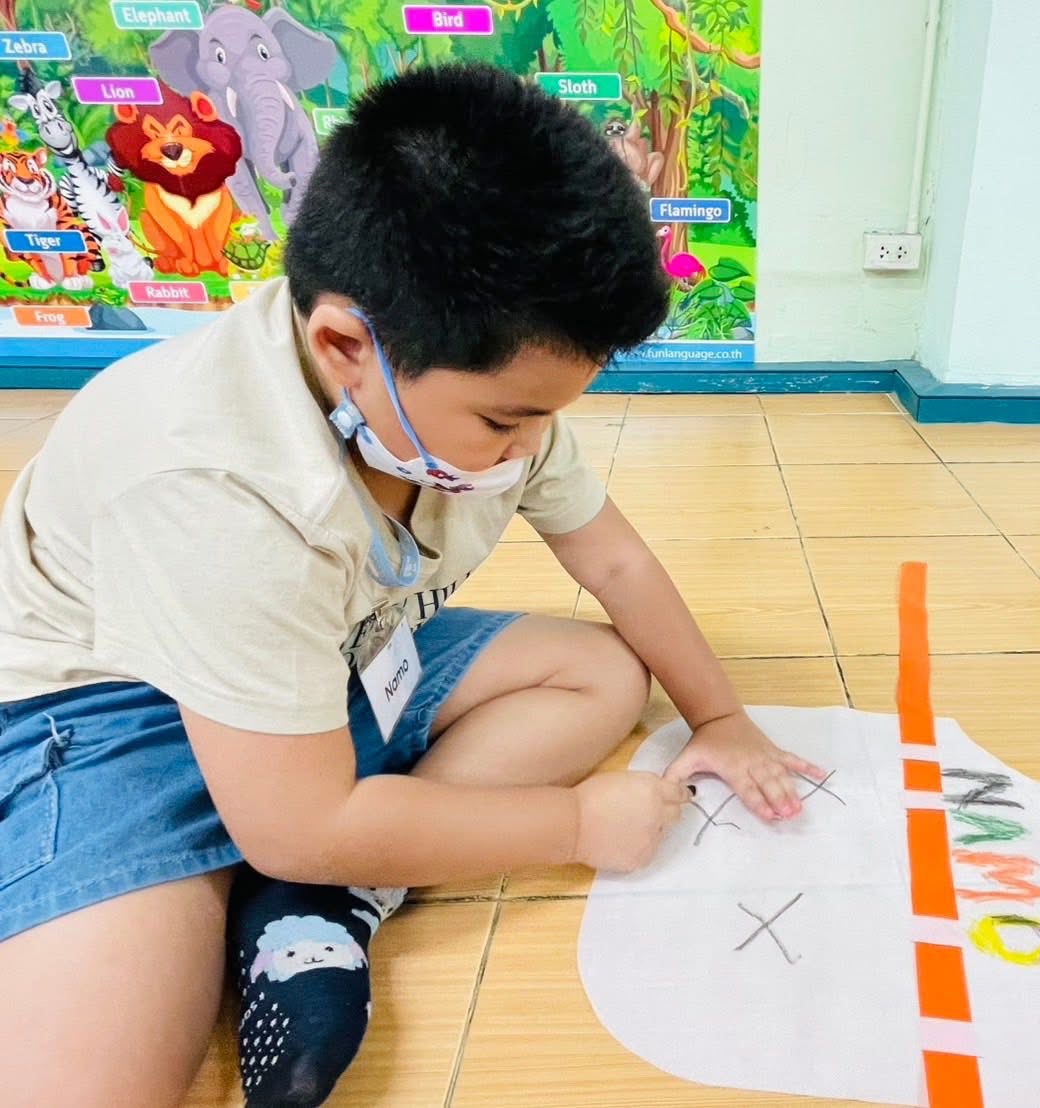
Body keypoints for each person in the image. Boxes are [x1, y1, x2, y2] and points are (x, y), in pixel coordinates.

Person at [0, 63, 822, 1107]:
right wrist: (572, 825)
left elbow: (614, 559)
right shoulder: (211, 487)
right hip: (111, 721)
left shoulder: (463, 379)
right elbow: (293, 821)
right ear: (345, 343)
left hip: (329, 658)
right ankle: (314, 860)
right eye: (504, 421)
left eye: (546, 417)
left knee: (600, 672)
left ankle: (323, 897)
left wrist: (723, 717)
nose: (528, 447)